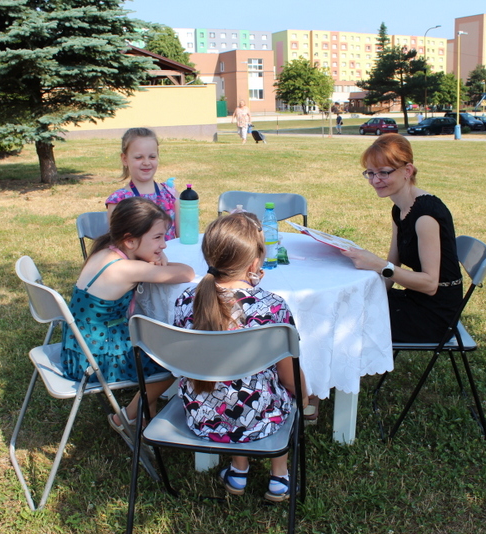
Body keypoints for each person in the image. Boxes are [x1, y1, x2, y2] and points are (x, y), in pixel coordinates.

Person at [173, 212, 308, 502]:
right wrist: (305, 395)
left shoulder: (185, 300)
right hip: (260, 416)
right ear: (254, 264)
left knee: (232, 383)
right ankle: (279, 478)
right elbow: (289, 378)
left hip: (202, 415)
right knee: (280, 390)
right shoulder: (272, 307)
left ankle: (238, 470)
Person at [59, 197, 195, 436]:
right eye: (157, 237)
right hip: (93, 360)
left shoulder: (106, 251)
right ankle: (128, 415)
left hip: (78, 347)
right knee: (175, 360)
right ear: (130, 240)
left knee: (154, 345)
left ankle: (145, 416)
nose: (164, 244)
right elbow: (187, 273)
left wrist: (156, 258)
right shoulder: (126, 269)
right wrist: (161, 262)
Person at [341, 134, 462, 343]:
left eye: (384, 172)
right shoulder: (400, 209)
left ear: (407, 171)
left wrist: (378, 265)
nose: (375, 180)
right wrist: (369, 291)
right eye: (370, 173)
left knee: (342, 319)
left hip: (434, 316)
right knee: (344, 304)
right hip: (416, 299)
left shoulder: (426, 216)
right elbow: (392, 265)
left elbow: (430, 284)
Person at [105, 127, 179, 240]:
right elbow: (117, 243)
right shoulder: (118, 200)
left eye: (152, 157)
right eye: (139, 157)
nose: (146, 162)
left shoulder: (171, 194)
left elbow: (184, 238)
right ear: (125, 159)